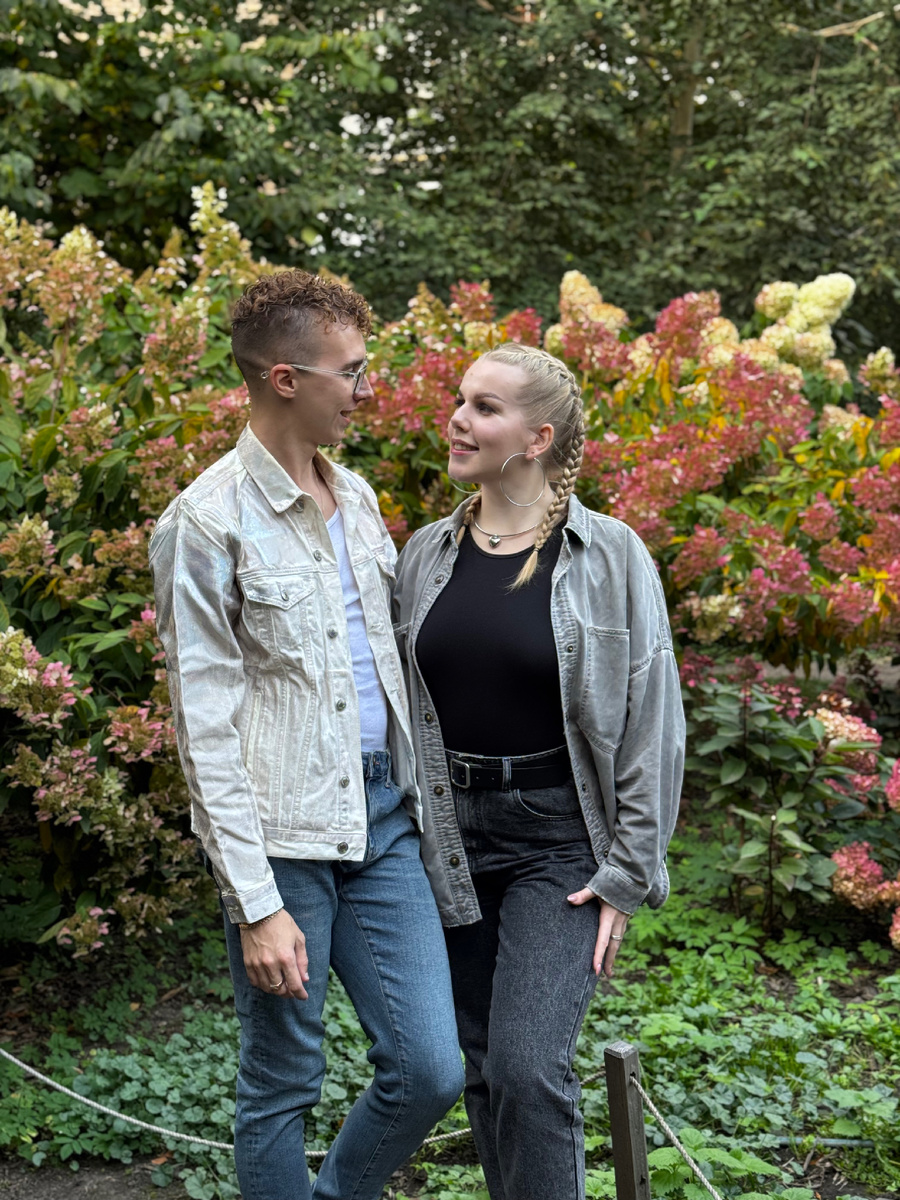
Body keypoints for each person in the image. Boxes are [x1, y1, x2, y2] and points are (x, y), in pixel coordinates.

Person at [149, 269, 463, 1200]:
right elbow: (204, 729)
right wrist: (255, 903)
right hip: (281, 836)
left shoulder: (355, 498)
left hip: (383, 818)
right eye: (351, 371)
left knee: (431, 1067)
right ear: (285, 379)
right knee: (283, 1079)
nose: (366, 389)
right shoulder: (205, 522)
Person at [392, 342, 685, 1200]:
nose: (458, 418)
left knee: (527, 1067)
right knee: (483, 1068)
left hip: (559, 840)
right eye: (460, 399)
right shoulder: (424, 553)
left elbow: (652, 721)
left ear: (537, 437)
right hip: (446, 836)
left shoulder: (610, 554)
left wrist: (628, 874)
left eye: (485, 407)